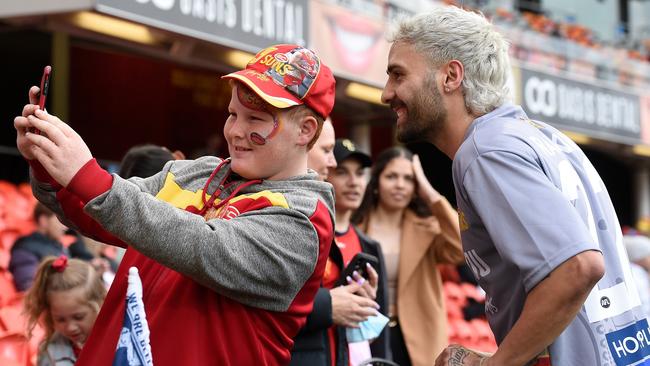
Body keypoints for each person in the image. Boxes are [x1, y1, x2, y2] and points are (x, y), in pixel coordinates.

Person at [14, 43, 337, 365]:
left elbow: (204, 246)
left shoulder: (305, 216)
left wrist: (88, 175)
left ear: (305, 130)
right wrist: (49, 164)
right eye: (232, 114)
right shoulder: (194, 172)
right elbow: (97, 213)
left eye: (255, 119)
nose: (235, 130)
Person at [381, 6, 645, 366]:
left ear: (451, 76)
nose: (386, 93)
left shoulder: (485, 151)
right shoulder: (542, 137)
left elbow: (578, 268)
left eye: (398, 75)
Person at [352, 146, 463, 366]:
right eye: (391, 176)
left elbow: (461, 248)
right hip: (366, 332)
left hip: (418, 335)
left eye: (409, 179)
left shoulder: (428, 229)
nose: (400, 185)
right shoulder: (356, 227)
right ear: (376, 182)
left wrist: (430, 194)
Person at [293, 136, 384, 366]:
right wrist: (330, 305)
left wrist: (364, 306)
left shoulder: (370, 248)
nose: (354, 182)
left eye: (361, 173)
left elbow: (378, 334)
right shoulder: (303, 231)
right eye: (343, 172)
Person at [24, 255, 107, 366]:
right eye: (60, 319)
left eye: (78, 317)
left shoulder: (120, 341)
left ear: (99, 304)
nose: (70, 327)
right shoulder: (49, 355)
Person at [10, 203, 94, 291]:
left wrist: (89, 273)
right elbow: (28, 287)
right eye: (60, 220)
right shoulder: (24, 249)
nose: (65, 227)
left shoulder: (57, 245)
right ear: (44, 220)